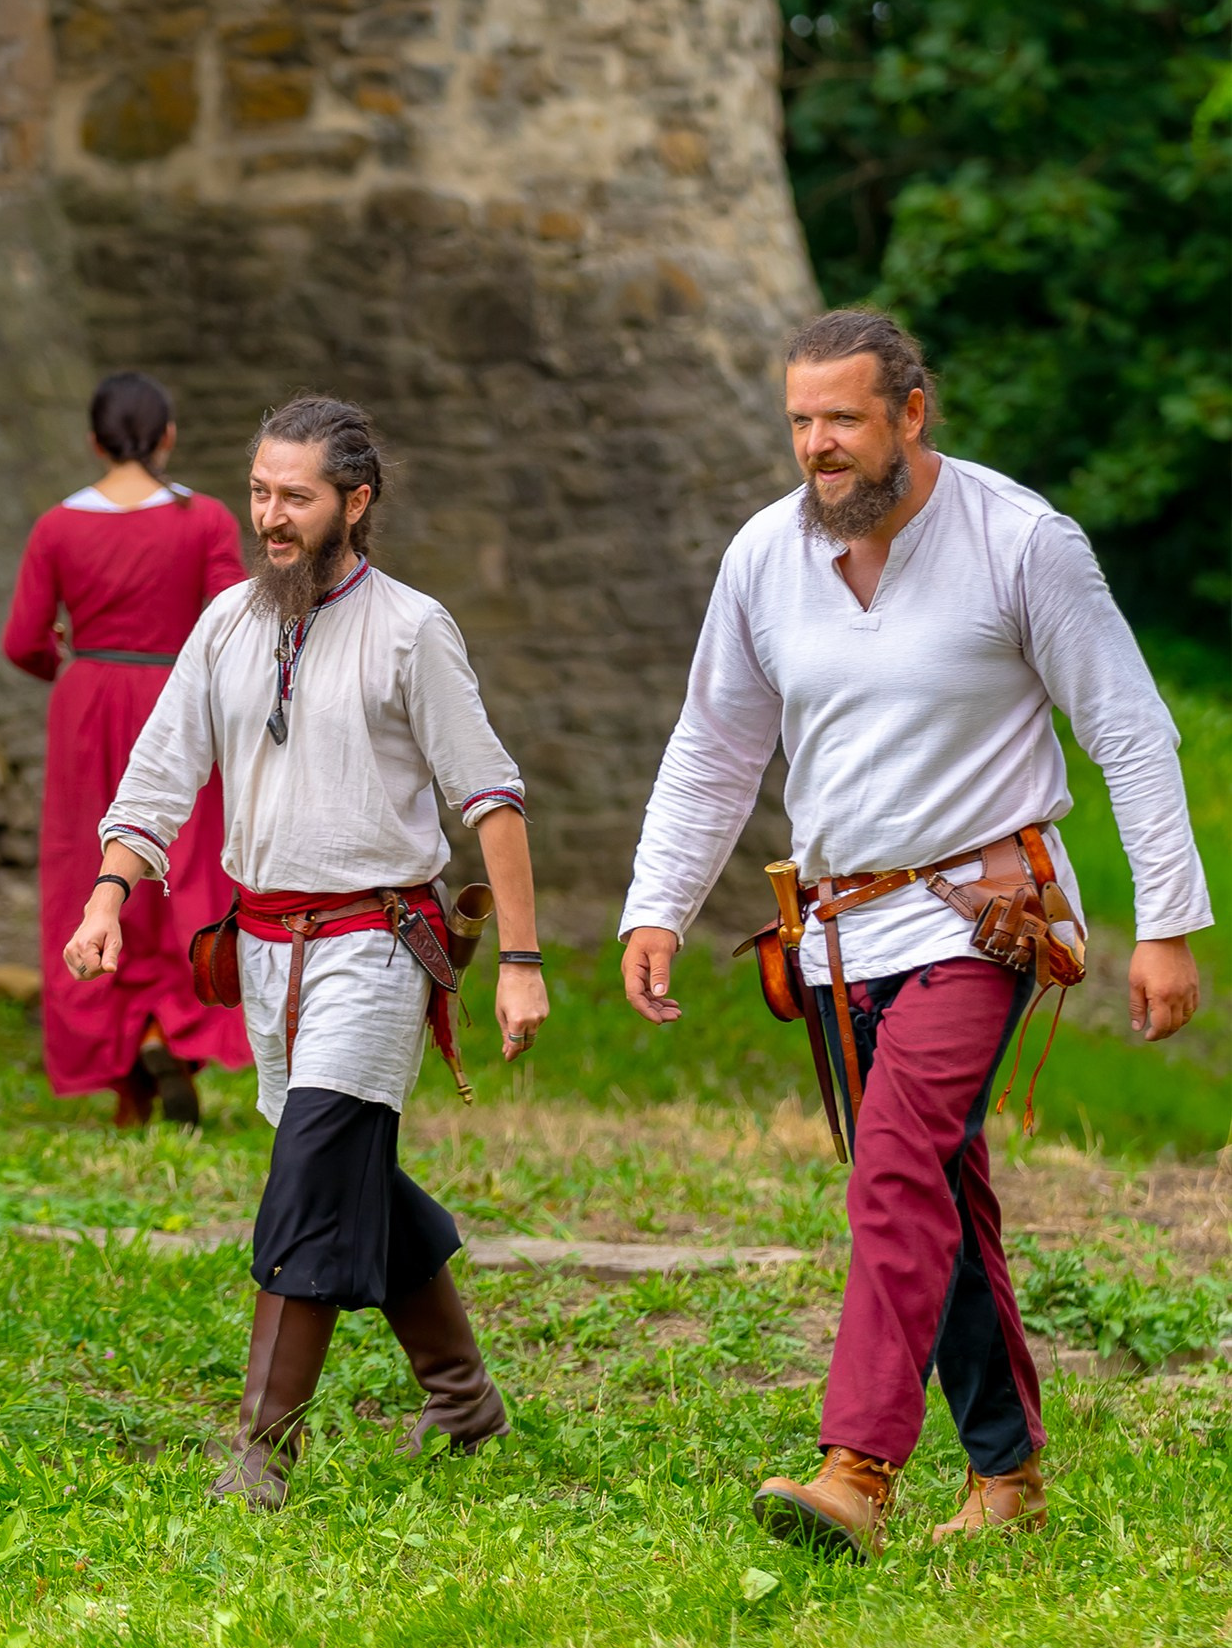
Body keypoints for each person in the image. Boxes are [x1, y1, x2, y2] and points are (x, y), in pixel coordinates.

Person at [619, 308, 1211, 1558]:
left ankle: (858, 1468)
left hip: (982, 918)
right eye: (800, 421)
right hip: (837, 934)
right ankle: (1006, 1473)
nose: (817, 445)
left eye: (842, 418)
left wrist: (1166, 922)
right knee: (932, 1187)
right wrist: (656, 901)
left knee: (892, 1169)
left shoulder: (1021, 541)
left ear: (910, 412)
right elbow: (715, 745)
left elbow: (1128, 728)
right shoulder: (764, 555)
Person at [61, 395, 549, 1510]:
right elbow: (158, 775)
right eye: (259, 492)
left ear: (355, 502)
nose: (271, 517)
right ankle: (464, 1399)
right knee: (343, 1166)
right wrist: (107, 896)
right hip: (266, 952)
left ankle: (262, 1452)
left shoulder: (414, 628)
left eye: (297, 496)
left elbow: (492, 796)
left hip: (376, 942)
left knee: (309, 1178)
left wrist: (520, 960)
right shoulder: (227, 623)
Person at [3, 370, 251, 1126]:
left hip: (87, 706)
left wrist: (63, 655)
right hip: (178, 700)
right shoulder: (204, 519)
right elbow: (235, 621)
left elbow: (23, 641)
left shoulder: (57, 527)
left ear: (94, 440)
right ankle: (172, 1033)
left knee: (91, 867)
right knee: (185, 865)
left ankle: (123, 1067)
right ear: (168, 436)